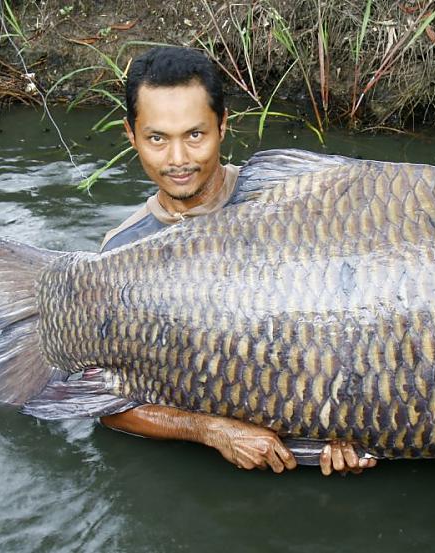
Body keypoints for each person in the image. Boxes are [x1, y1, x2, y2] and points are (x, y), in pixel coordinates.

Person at [98, 46, 375, 476]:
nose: (178, 160)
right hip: (197, 483)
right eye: (157, 139)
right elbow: (107, 406)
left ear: (223, 125)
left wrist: (354, 424)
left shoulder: (293, 204)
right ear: (130, 134)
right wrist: (212, 431)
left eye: (195, 135)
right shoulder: (119, 254)